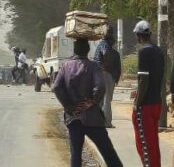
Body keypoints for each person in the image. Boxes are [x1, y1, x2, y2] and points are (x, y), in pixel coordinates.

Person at [53, 38, 123, 167]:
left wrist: (68, 106)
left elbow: (56, 87)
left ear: (74, 50)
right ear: (88, 50)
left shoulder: (66, 66)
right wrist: (91, 102)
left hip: (73, 118)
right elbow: (101, 87)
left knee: (76, 155)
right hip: (93, 118)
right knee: (108, 153)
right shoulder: (93, 66)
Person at [131, 20, 164, 167]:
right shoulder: (158, 51)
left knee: (144, 144)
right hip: (156, 102)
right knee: (153, 143)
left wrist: (137, 102)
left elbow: (144, 79)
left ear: (138, 35)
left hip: (145, 105)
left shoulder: (144, 51)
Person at [93, 25, 121, 128]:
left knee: (100, 100)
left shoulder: (102, 44)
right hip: (106, 74)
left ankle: (97, 121)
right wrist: (105, 68)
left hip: (100, 74)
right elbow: (106, 54)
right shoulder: (105, 45)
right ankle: (107, 122)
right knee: (106, 100)